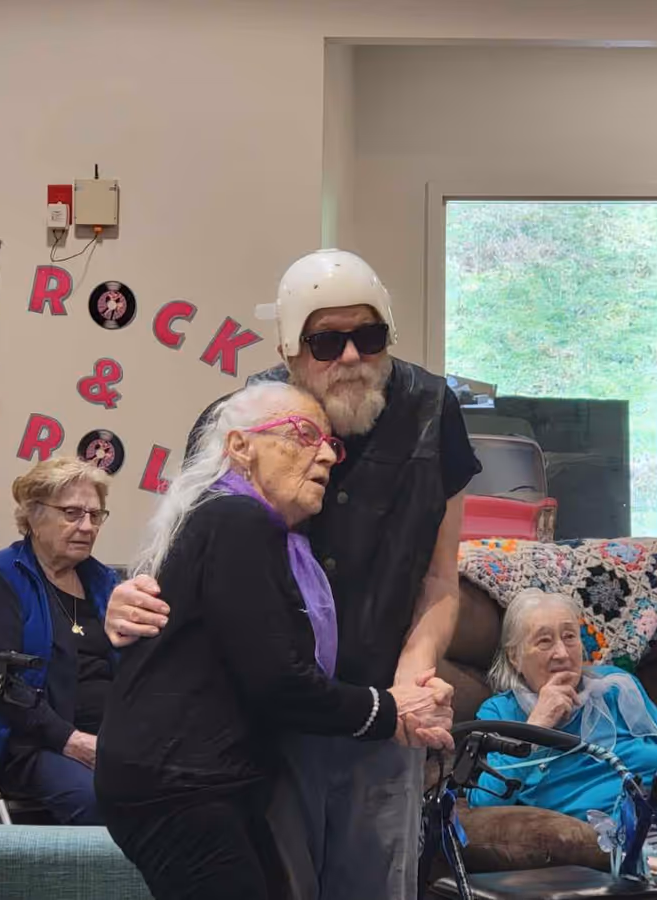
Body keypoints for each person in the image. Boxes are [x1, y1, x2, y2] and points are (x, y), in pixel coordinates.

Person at [105, 248, 481, 900]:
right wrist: (126, 596)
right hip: (268, 734)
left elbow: (440, 580)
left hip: (383, 716)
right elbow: (185, 551)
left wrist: (407, 690)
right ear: (289, 348)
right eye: (325, 341)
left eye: (368, 337)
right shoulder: (241, 420)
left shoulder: (431, 410)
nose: (350, 358)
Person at [469, 589, 657, 900]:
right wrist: (536, 726)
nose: (562, 653)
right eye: (544, 641)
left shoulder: (616, 687)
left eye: (570, 637)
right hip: (628, 830)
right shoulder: (499, 714)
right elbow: (483, 802)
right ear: (514, 655)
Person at [0, 457, 118, 825]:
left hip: (111, 735)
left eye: (95, 516)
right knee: (100, 798)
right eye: (72, 513)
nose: (87, 526)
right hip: (32, 743)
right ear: (33, 515)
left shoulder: (102, 581)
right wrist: (72, 740)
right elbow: (3, 686)